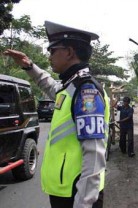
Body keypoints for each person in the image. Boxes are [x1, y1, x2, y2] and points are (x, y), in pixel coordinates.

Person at [3, 21, 110, 208]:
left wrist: (83, 203)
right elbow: (52, 87)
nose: (49, 56)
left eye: (52, 51)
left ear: (69, 52)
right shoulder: (72, 85)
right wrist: (29, 66)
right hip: (67, 189)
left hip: (78, 193)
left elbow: (94, 155)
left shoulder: (86, 91)